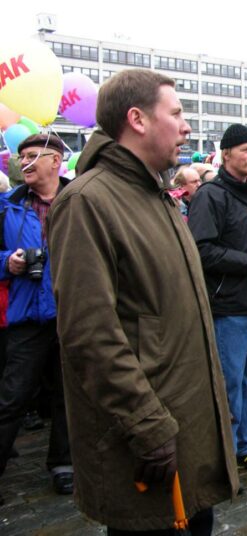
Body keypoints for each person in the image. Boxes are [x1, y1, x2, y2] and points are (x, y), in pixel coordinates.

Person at [46, 68, 239, 534]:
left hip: (184, 432)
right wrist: (147, 425)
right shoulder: (88, 202)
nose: (186, 126)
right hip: (148, 444)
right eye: (175, 113)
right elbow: (90, 335)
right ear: (137, 119)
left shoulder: (157, 195)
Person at [188, 123, 247, 473]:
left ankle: (246, 446)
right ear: (226, 153)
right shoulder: (210, 195)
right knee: (228, 382)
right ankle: (224, 456)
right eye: (246, 150)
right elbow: (201, 250)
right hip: (230, 306)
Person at [0, 134, 72, 504]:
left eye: (31, 156)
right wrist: (6, 262)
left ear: (55, 161)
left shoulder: (79, 201)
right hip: (28, 315)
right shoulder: (7, 204)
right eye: (21, 157)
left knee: (67, 393)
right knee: (12, 397)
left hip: (72, 314)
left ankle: (63, 463)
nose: (23, 163)